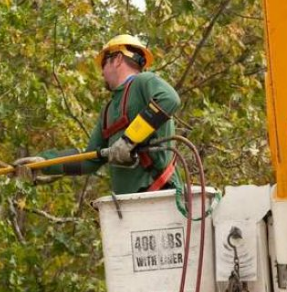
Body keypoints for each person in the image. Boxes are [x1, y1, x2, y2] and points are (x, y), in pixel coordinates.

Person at [14, 35, 181, 195]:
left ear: (117, 59)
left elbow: (170, 99)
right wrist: (45, 163)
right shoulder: (108, 110)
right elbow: (89, 161)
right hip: (129, 203)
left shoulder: (144, 82)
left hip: (160, 195)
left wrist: (129, 140)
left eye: (103, 64)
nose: (102, 73)